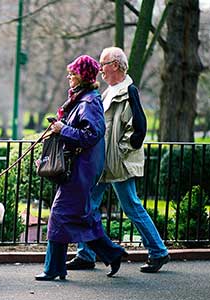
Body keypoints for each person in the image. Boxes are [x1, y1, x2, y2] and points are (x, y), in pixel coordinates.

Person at [66, 47, 170, 273]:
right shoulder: (108, 92)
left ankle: (158, 252)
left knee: (131, 206)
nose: (100, 69)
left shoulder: (128, 90)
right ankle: (86, 254)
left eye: (103, 64)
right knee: (88, 205)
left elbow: (139, 128)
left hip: (118, 162)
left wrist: (121, 151)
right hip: (102, 161)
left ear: (115, 64)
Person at [35, 55, 127, 281]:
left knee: (59, 215)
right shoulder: (83, 99)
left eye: (72, 74)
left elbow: (92, 134)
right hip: (79, 168)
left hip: (81, 170)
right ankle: (112, 253)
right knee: (80, 217)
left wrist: (62, 129)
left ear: (82, 76)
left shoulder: (89, 102)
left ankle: (53, 269)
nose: (69, 77)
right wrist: (62, 127)